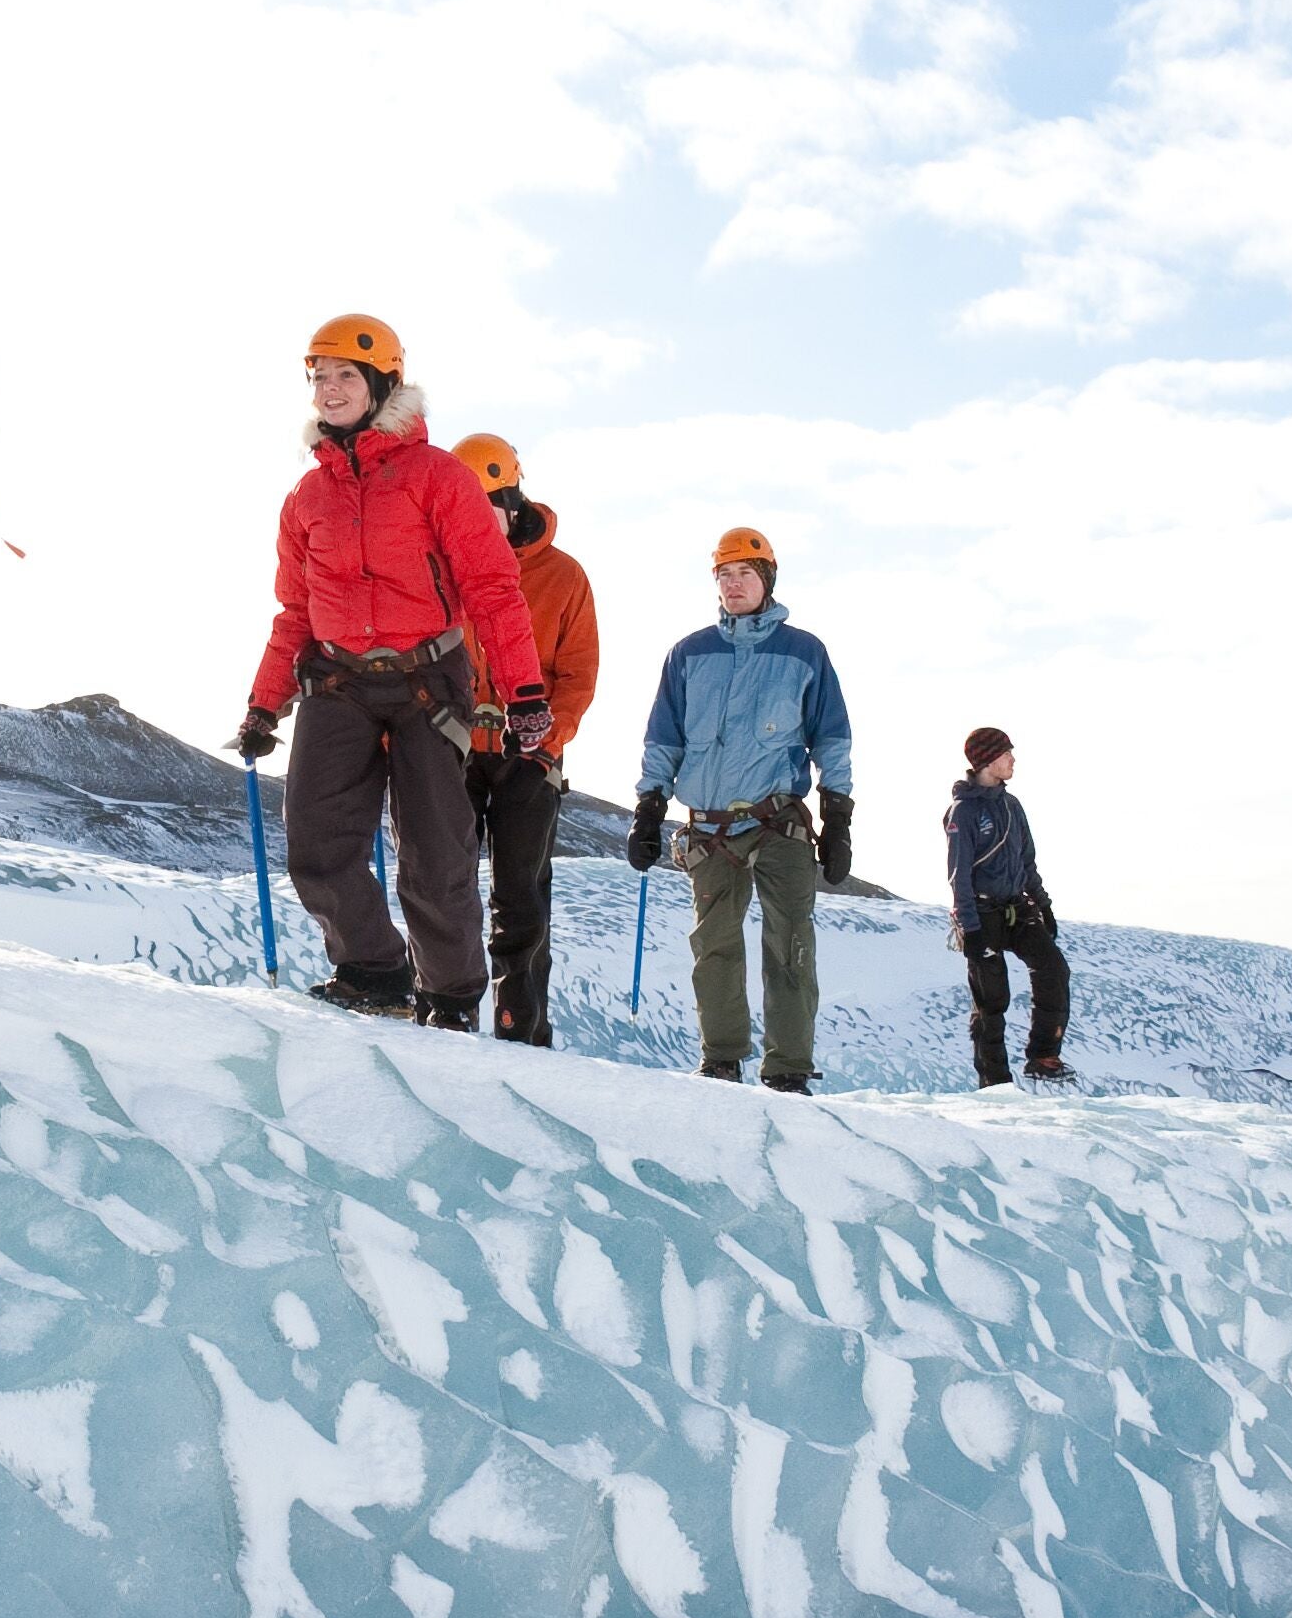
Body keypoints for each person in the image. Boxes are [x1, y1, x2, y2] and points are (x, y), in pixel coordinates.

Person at [239, 322, 546, 1026]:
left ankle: (450, 996)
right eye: (320, 377)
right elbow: (295, 611)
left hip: (426, 683)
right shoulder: (306, 499)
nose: (331, 389)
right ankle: (374, 971)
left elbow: (494, 588)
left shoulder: (438, 477)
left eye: (347, 375)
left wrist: (524, 690)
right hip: (336, 682)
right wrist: (264, 704)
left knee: (437, 856)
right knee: (316, 844)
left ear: (383, 386)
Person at [624, 532, 853, 1091]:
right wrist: (649, 807)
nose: (732, 584)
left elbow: (832, 740)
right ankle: (722, 1060)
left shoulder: (804, 652)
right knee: (714, 946)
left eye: (744, 573)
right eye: (723, 575)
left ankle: (789, 1069)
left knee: (790, 944)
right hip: (709, 828)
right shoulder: (689, 653)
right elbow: (664, 738)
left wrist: (839, 818)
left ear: (767, 579)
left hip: (782, 823)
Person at [447, 431, 600, 1044]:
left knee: (521, 902)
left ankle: (522, 1030)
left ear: (513, 502)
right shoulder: (436, 570)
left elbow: (577, 674)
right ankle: (444, 1013)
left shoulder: (563, 577)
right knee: (441, 888)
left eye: (488, 505)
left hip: (529, 762)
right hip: (450, 753)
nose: (478, 521)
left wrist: (545, 741)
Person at [944, 723, 1070, 1083]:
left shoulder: (1013, 806)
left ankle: (1044, 1057)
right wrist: (971, 929)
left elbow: (1027, 861)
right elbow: (959, 875)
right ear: (987, 761)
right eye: (1005, 754)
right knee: (991, 999)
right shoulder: (963, 812)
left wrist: (1042, 904)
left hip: (1018, 908)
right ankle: (994, 1082)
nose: (1012, 759)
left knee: (1054, 970)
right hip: (982, 915)